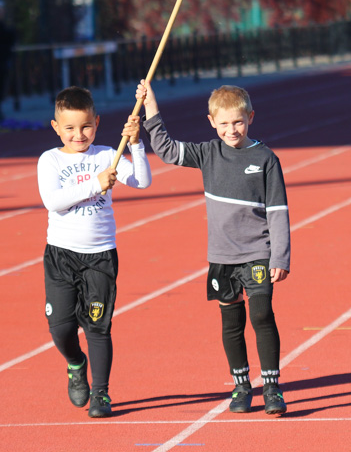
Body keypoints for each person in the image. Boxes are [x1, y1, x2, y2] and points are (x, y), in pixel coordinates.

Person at [138, 80, 290, 416]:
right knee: (231, 322)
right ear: (211, 122)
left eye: (237, 122)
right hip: (222, 257)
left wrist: (280, 255)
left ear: (250, 117)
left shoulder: (265, 158)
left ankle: (272, 386)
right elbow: (166, 149)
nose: (231, 129)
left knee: (262, 315)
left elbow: (278, 211)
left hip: (257, 253)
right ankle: (240, 385)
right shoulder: (208, 153)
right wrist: (151, 107)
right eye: (223, 123)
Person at [37, 86, 152, 418]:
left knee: (98, 326)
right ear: (56, 127)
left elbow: (142, 181)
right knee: (60, 327)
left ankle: (101, 393)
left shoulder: (106, 155)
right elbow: (53, 201)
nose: (79, 134)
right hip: (61, 255)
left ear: (97, 123)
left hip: (100, 256)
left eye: (85, 126)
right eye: (70, 128)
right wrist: (95, 184)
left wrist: (135, 144)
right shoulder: (51, 160)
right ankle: (76, 362)